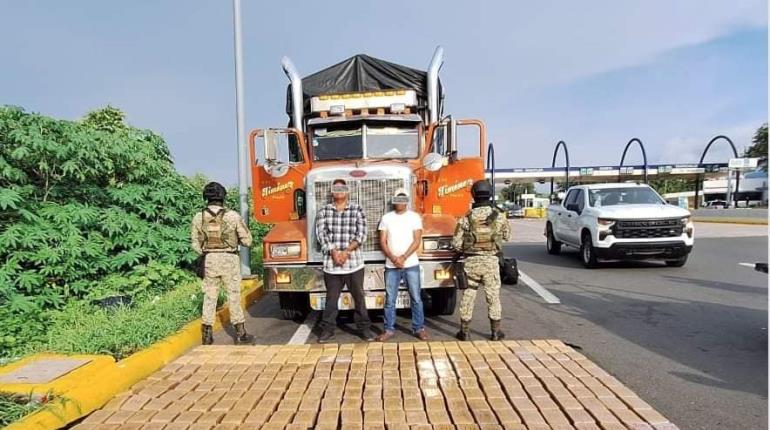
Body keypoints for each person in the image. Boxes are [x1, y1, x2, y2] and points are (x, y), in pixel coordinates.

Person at [191, 182, 255, 345]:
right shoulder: (232, 216)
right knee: (233, 295)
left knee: (210, 295)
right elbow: (247, 241)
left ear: (206, 197)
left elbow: (195, 244)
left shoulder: (199, 217)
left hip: (210, 259)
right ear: (223, 197)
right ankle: (240, 333)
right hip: (229, 258)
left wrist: (208, 252)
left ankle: (206, 334)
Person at [315, 178, 375, 343]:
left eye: (343, 188)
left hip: (354, 264)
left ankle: (365, 329)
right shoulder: (324, 211)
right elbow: (321, 234)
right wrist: (334, 251)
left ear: (347, 191)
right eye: (336, 188)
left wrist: (347, 251)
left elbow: (362, 233)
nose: (340, 190)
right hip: (331, 265)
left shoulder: (357, 210)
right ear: (332, 191)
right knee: (331, 299)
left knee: (359, 297)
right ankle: (327, 330)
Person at [452, 179, 511, 341]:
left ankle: (464, 332)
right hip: (491, 262)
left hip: (471, 263)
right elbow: (506, 236)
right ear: (490, 194)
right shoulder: (499, 216)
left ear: (473, 195)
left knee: (468, 295)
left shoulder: (466, 218)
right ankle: (495, 332)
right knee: (493, 296)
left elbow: (456, 244)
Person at [375, 188, 427, 342]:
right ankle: (389, 330)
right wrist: (393, 258)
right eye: (398, 198)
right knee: (390, 299)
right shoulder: (386, 218)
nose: (400, 201)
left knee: (416, 297)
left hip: (411, 264)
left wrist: (403, 257)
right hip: (391, 266)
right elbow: (382, 241)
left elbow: (417, 240)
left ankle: (419, 328)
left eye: (403, 198)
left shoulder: (414, 217)